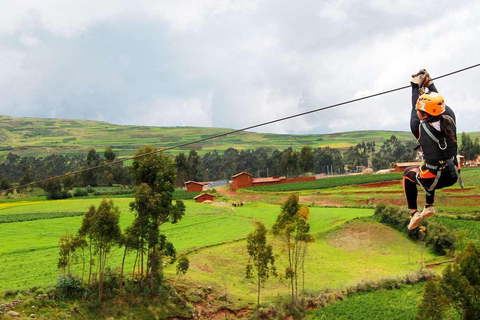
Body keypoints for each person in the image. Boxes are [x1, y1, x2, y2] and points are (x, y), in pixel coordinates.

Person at [403, 69, 461, 230]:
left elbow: (414, 107)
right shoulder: (451, 118)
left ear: (425, 114)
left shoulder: (418, 128)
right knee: (431, 167)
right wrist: (429, 84)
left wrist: (415, 87)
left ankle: (414, 213)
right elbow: (439, 105)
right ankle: (428, 205)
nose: (418, 112)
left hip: (432, 179)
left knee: (409, 174)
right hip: (452, 175)